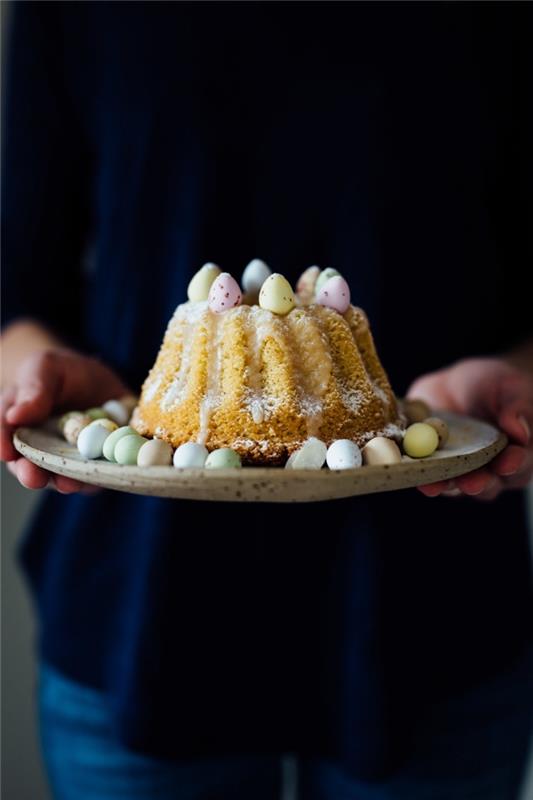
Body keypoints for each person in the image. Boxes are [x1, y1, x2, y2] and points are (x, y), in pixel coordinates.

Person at [1, 3, 532, 799]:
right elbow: (18, 275)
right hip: (139, 611)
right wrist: (34, 375)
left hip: (429, 614)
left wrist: (513, 381)